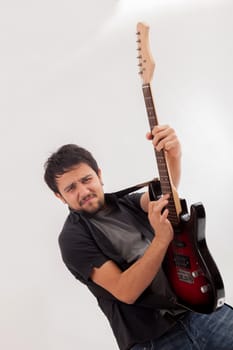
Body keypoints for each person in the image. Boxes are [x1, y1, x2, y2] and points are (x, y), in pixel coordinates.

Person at [44, 125, 233, 350]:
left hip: (202, 311)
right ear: (60, 197)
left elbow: (166, 199)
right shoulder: (72, 239)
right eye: (71, 188)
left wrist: (174, 156)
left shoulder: (128, 202)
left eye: (87, 180)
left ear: (100, 175)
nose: (83, 191)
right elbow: (126, 291)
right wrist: (161, 240)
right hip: (153, 341)